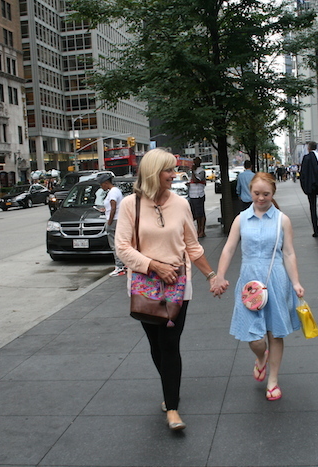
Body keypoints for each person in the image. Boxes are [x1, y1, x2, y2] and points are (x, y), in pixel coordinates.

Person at [115, 148, 220, 432]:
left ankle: (172, 407)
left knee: (170, 344)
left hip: (177, 286)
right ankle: (169, 386)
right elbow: (122, 248)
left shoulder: (181, 204)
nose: (174, 176)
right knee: (156, 345)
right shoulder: (129, 205)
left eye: (174, 170)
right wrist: (153, 265)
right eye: (169, 171)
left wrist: (211, 275)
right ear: (152, 173)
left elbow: (192, 246)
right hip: (145, 286)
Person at [211, 172, 304, 401]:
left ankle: (273, 380)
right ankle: (261, 357)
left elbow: (289, 253)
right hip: (249, 282)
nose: (261, 198)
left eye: (266, 194)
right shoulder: (241, 219)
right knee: (255, 338)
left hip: (276, 279)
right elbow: (229, 249)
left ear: (273, 193)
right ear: (249, 192)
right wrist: (219, 275)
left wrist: (296, 282)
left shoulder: (282, 220)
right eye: (256, 193)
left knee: (275, 332)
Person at [98, 173, 126, 277]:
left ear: (106, 183)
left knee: (114, 244)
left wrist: (109, 221)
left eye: (102, 185)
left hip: (114, 221)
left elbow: (113, 207)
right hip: (117, 219)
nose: (102, 187)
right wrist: (105, 210)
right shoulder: (115, 191)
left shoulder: (113, 192)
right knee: (119, 243)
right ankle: (123, 265)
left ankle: (119, 267)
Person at [187, 156, 207, 237]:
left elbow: (196, 180)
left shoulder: (201, 171)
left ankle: (201, 230)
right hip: (192, 194)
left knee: (200, 214)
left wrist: (192, 172)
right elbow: (192, 181)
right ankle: (198, 229)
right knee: (195, 214)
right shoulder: (194, 171)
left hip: (199, 194)